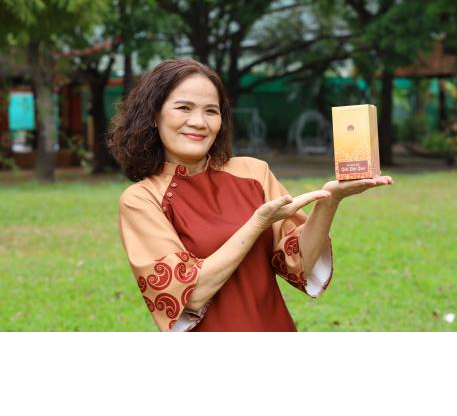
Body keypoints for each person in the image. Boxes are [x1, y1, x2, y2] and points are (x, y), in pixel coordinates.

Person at [107, 59, 393, 332]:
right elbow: (190, 295)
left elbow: (299, 266)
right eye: (184, 108)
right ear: (154, 115)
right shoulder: (141, 199)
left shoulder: (254, 172)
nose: (199, 122)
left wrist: (329, 202)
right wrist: (257, 224)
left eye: (211, 111)